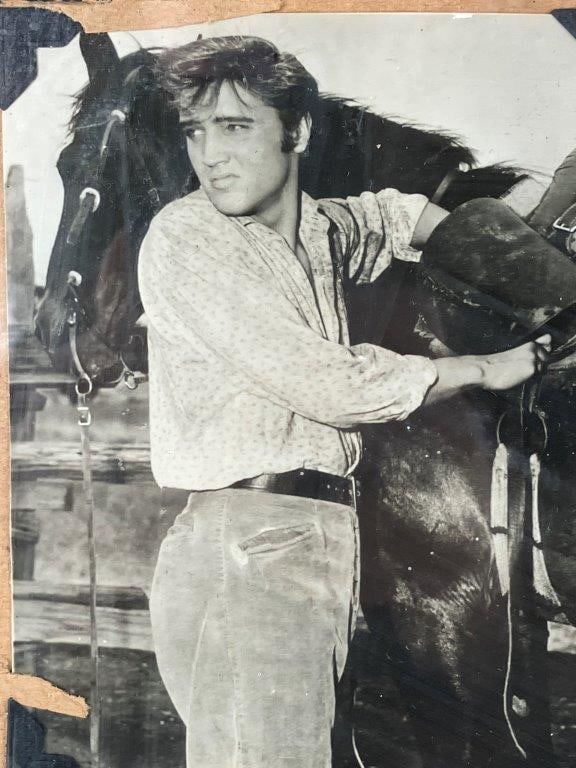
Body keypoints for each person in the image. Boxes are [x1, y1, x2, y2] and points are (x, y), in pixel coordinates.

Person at [137, 35, 551, 768]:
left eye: (234, 127)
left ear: (297, 131)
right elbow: (333, 386)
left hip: (314, 536)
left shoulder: (318, 232)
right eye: (196, 131)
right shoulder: (188, 238)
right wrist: (487, 368)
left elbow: (387, 216)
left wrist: (527, 262)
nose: (209, 155)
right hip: (247, 542)